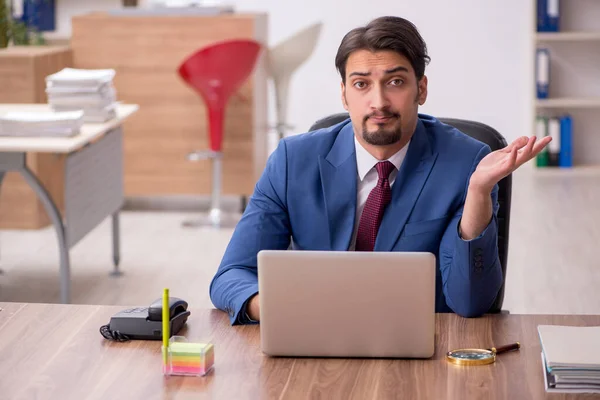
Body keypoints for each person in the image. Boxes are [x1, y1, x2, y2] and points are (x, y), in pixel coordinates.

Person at [209, 16, 551, 325]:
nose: (379, 102)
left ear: (421, 88)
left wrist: (477, 192)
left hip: (421, 349)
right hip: (314, 340)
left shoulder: (466, 163)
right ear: (344, 95)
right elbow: (231, 275)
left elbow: (471, 302)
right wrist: (275, 306)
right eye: (361, 84)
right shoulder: (292, 160)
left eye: (396, 82)